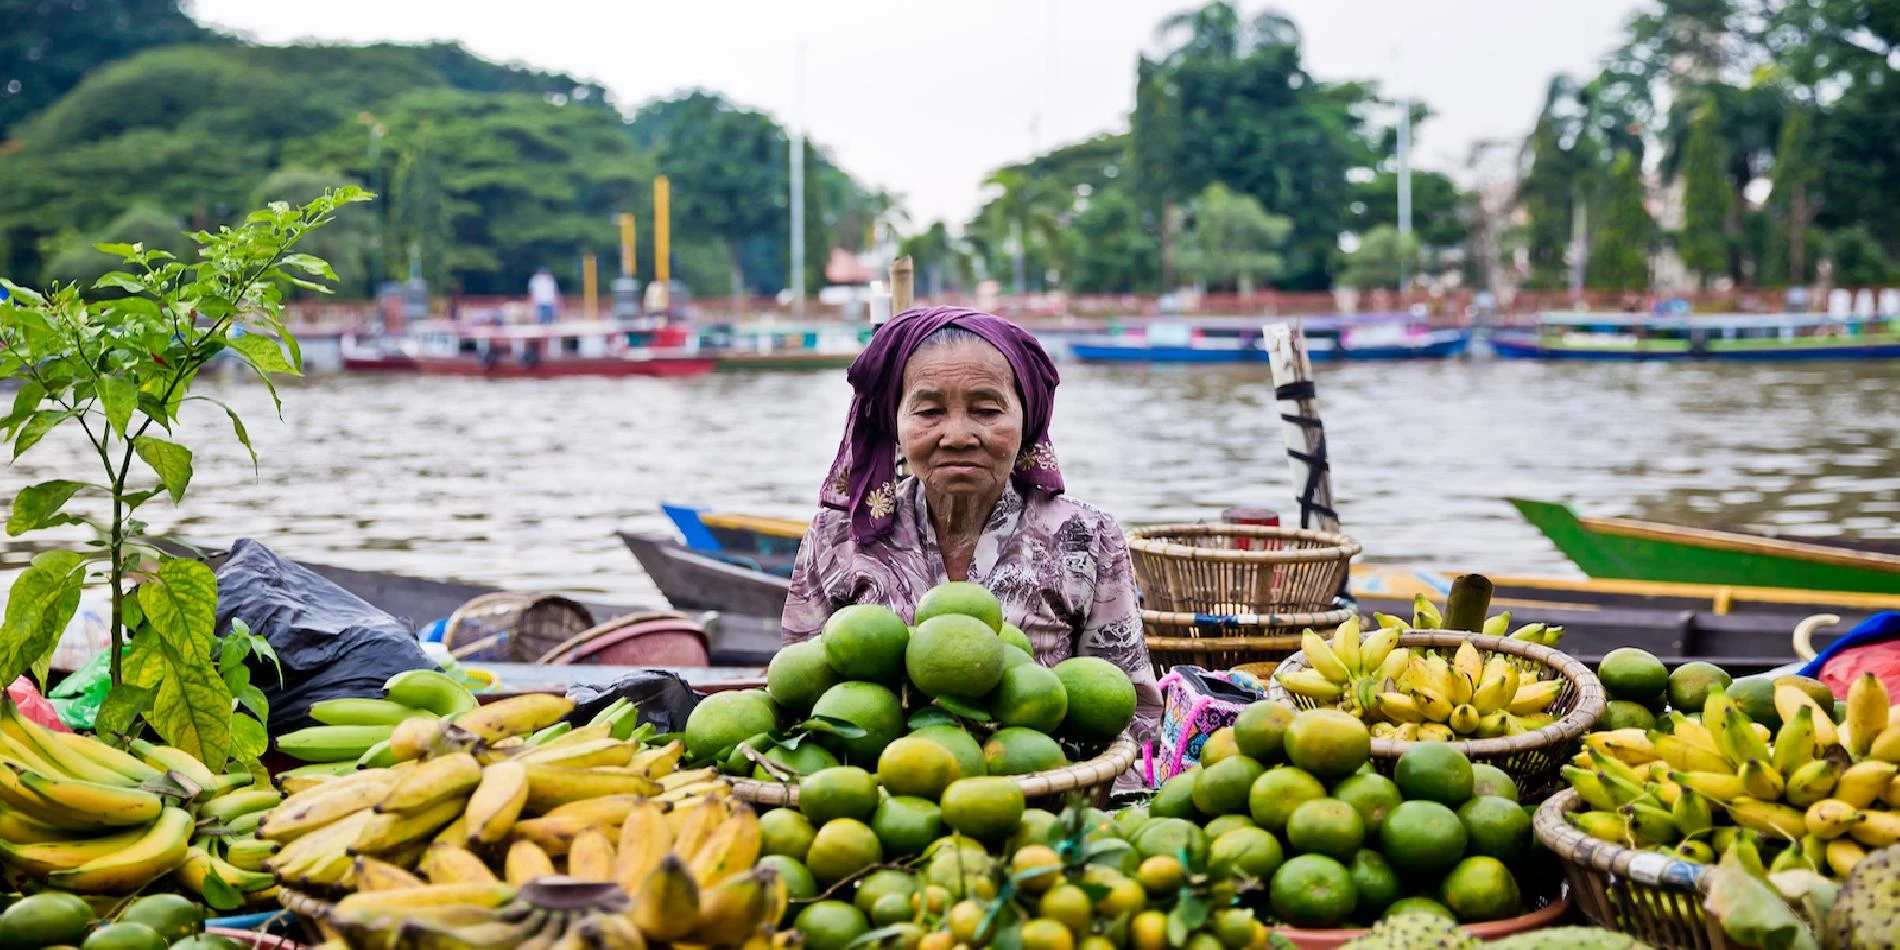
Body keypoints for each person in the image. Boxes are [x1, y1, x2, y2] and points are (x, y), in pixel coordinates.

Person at [781, 306, 1161, 755]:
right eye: (928, 411)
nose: (958, 435)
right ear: (895, 424)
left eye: (986, 409)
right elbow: (795, 700)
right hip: (876, 802)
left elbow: (1132, 719)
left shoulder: (1086, 536)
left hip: (1040, 791)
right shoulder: (836, 536)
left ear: (1027, 419)